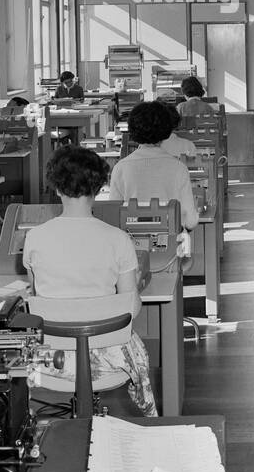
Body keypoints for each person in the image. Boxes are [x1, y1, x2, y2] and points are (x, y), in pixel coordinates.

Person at [22, 146, 158, 415]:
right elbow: (131, 308)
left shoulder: (35, 237)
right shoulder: (118, 239)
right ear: (98, 188)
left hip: (52, 359)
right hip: (109, 355)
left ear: (57, 188)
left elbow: (36, 296)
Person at [109, 101, 198, 256]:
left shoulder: (120, 168)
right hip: (170, 253)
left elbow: (113, 216)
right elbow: (191, 220)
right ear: (166, 128)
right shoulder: (178, 168)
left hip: (131, 254)